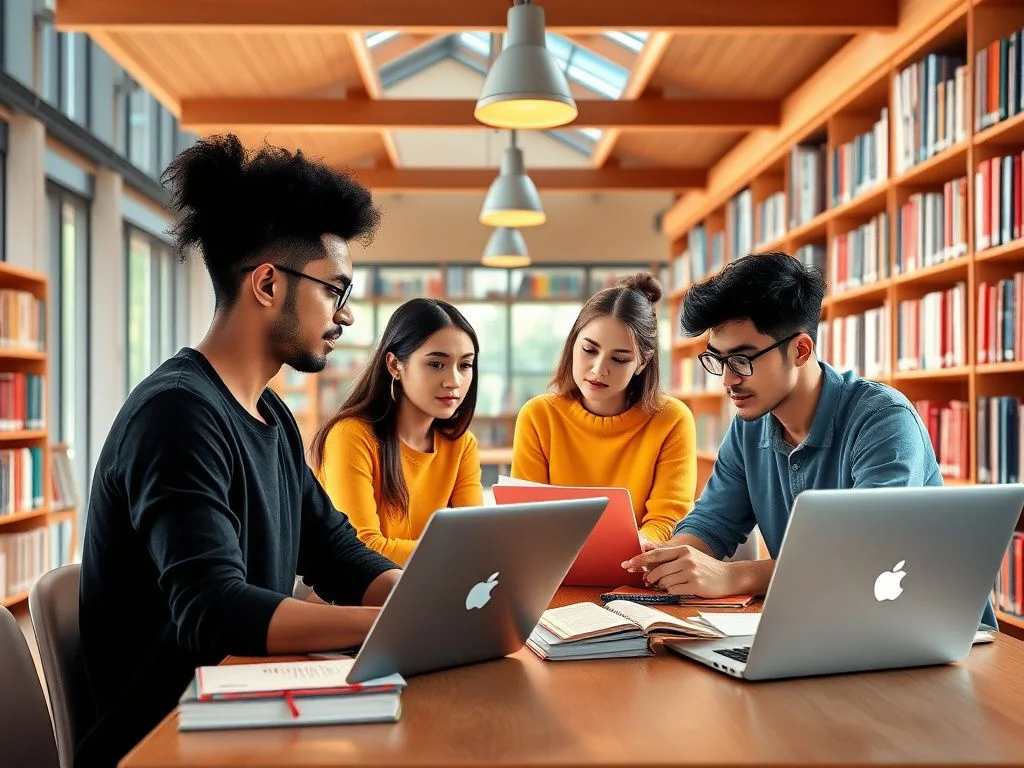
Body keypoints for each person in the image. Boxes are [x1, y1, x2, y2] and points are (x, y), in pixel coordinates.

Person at [76, 135, 403, 768]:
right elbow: (214, 610)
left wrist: (427, 598)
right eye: (335, 291)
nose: (346, 317)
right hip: (166, 741)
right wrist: (393, 631)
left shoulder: (269, 415)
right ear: (267, 284)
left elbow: (335, 554)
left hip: (245, 719)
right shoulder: (176, 415)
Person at [621, 251, 997, 628]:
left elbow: (865, 554)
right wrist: (666, 558)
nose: (728, 379)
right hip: (830, 623)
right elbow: (713, 522)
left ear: (801, 350)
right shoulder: (749, 424)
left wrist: (736, 576)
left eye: (742, 359)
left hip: (930, 631)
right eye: (718, 359)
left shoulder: (884, 420)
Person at [511, 272, 697, 545]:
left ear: (642, 364)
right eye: (589, 350)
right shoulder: (538, 416)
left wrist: (636, 548)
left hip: (636, 568)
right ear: (573, 344)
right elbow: (526, 518)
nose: (599, 370)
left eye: (620, 359)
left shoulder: (672, 420)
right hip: (553, 570)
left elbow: (667, 519)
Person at [310, 298, 483, 565]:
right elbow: (362, 549)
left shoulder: (461, 444)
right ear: (394, 365)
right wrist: (456, 552)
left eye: (465, 365)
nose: (454, 381)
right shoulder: (350, 436)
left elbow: (476, 540)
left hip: (432, 589)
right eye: (436, 364)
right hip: (355, 598)